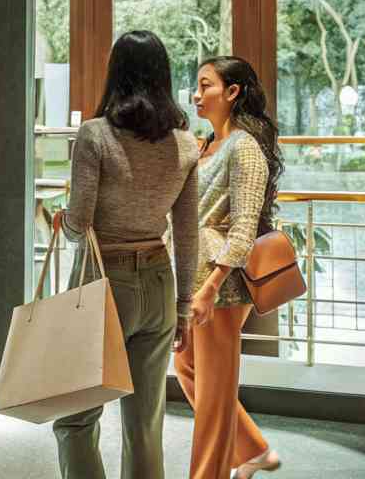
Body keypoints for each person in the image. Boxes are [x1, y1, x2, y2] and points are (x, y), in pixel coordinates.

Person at [54, 30, 199, 479]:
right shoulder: (185, 143)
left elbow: (79, 224)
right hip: (159, 283)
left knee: (76, 416)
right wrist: (184, 307)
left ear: (115, 73)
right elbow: (188, 234)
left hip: (103, 284)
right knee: (144, 422)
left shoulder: (95, 135)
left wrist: (62, 220)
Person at [174, 56, 284, 478]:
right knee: (187, 368)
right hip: (194, 277)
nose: (197, 95)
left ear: (233, 92)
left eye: (206, 86)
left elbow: (244, 228)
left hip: (222, 286)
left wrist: (212, 286)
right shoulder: (207, 144)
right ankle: (254, 449)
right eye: (196, 86)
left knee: (216, 393)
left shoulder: (245, 147)